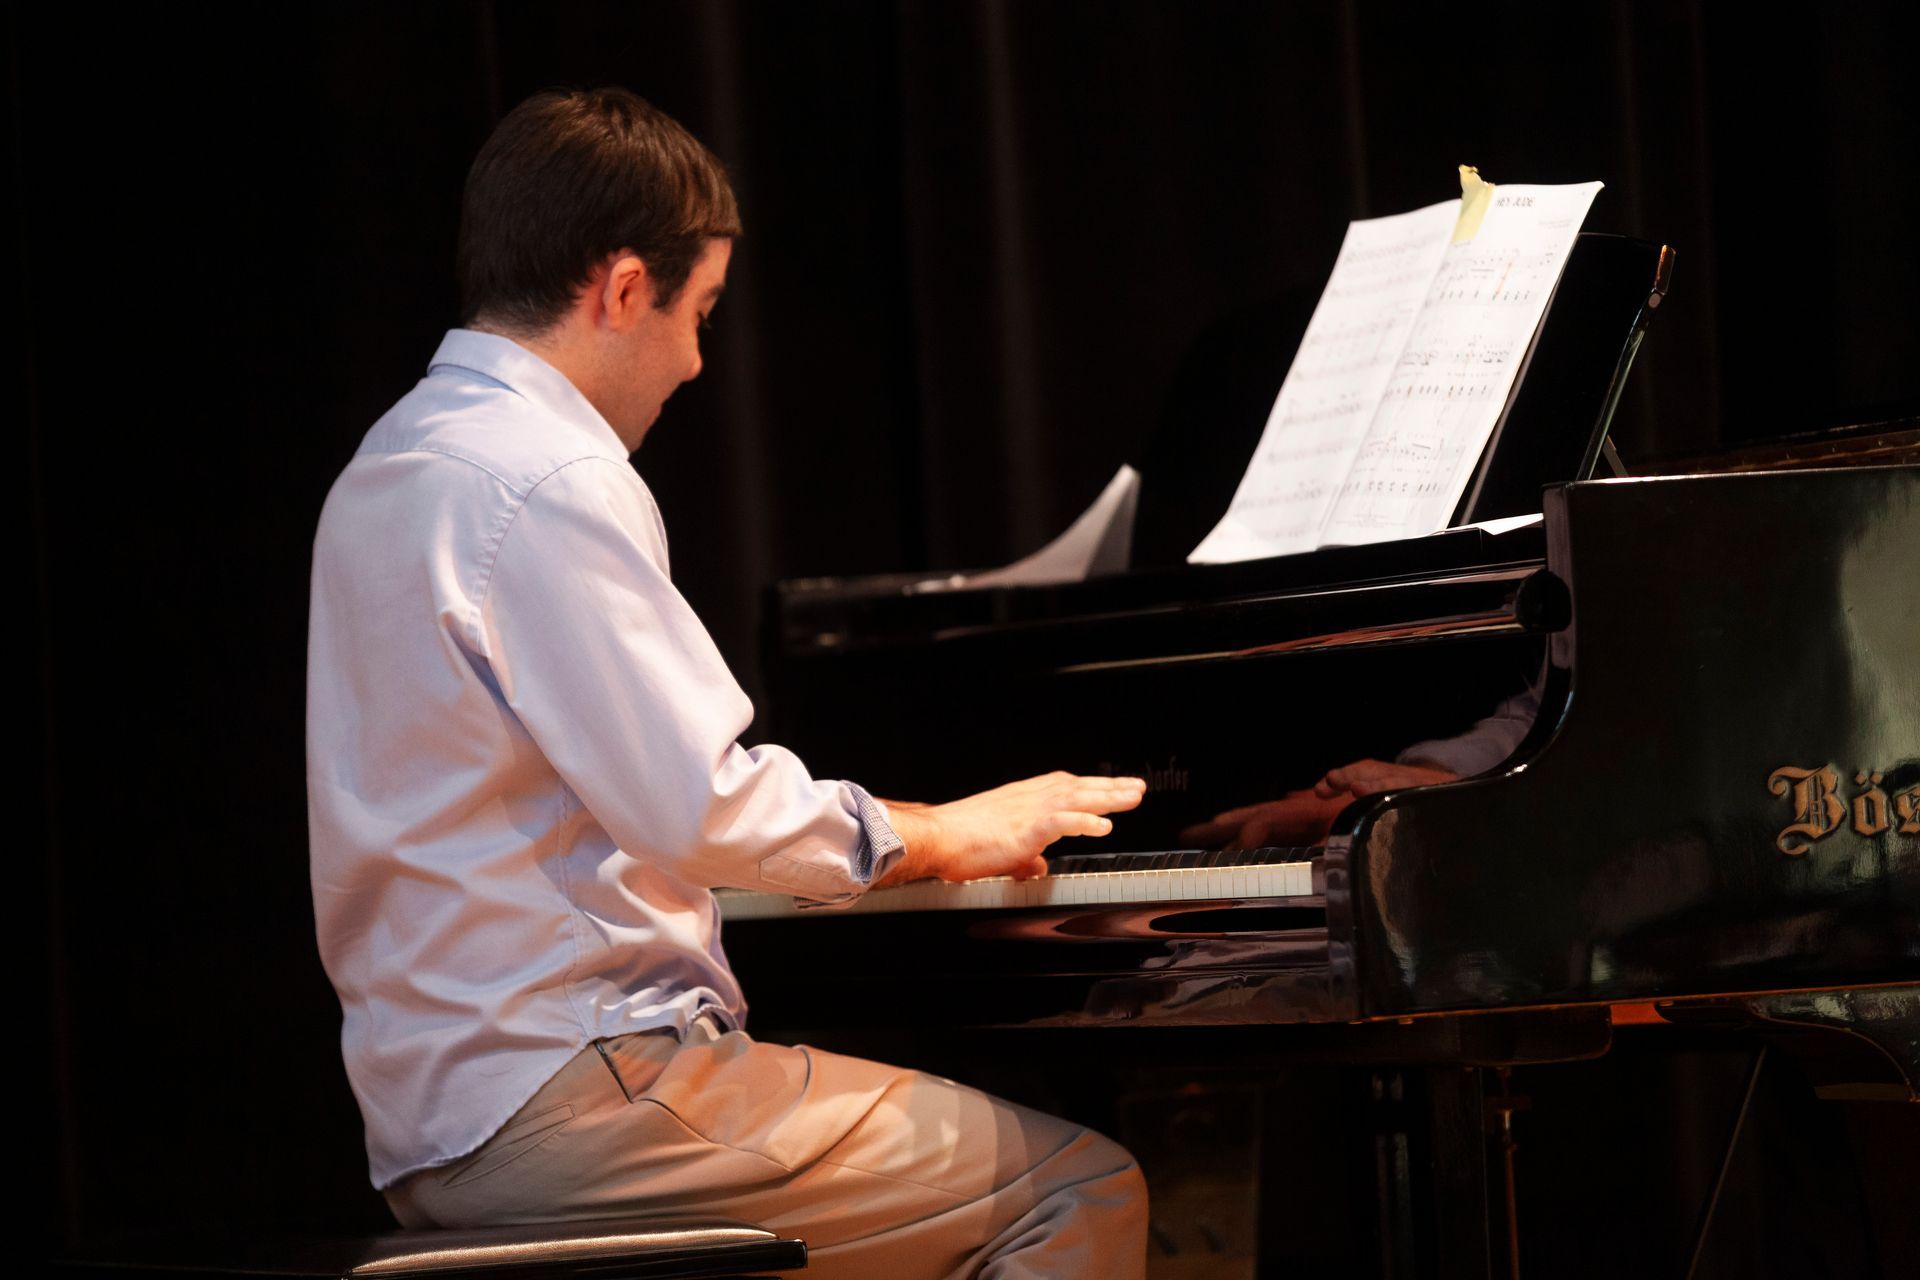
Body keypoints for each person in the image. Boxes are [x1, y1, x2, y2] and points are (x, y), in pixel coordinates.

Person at [307, 87, 1148, 1278]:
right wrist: (942, 834)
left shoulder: (386, 465)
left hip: (430, 1120)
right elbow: (701, 808)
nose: (700, 361)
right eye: (700, 311)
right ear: (622, 287)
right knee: (1077, 1186)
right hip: (579, 1096)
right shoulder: (547, 474)